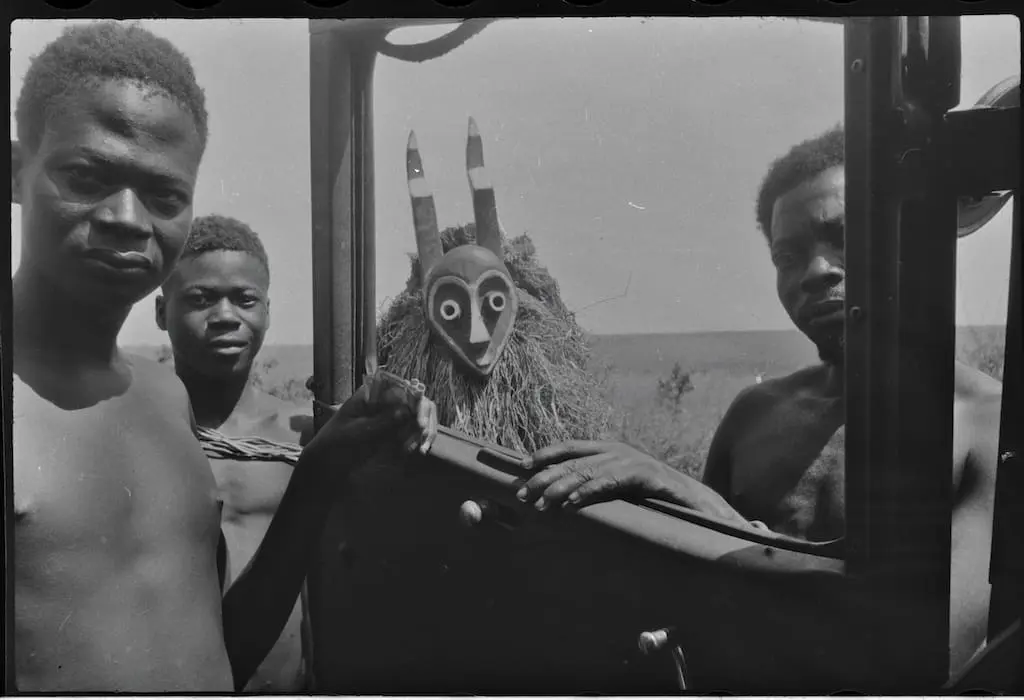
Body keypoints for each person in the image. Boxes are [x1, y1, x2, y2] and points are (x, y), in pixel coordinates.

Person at [11, 22, 436, 692]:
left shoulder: (163, 398)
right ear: (16, 173)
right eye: (87, 176)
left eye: (164, 195)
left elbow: (223, 657)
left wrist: (320, 470)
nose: (127, 216)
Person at [518, 124, 1002, 675]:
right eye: (788, 256)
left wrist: (698, 502)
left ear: (904, 237)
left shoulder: (990, 428)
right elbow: (698, 595)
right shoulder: (756, 415)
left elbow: (927, 656)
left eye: (844, 235)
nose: (815, 272)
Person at [154, 214, 313, 692]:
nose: (225, 316)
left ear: (267, 309)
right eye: (201, 299)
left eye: (245, 300)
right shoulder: (142, 434)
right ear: (162, 313)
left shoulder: (305, 435)